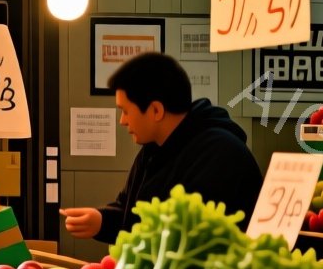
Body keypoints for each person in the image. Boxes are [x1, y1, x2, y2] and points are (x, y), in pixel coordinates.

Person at [61, 52, 263, 244]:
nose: (122, 121)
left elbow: (186, 238)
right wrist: (101, 220)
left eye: (125, 111)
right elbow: (132, 212)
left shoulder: (221, 154)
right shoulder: (153, 149)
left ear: (156, 110)